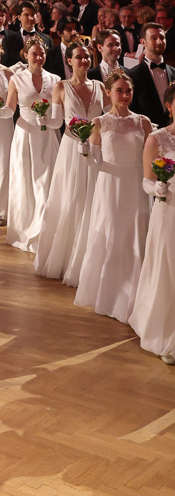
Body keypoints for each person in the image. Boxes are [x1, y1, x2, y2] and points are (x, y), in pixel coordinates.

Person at [74, 71, 152, 325]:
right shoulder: (99, 122)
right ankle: (110, 295)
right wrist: (85, 152)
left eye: (128, 91)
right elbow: (95, 163)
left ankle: (135, 296)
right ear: (108, 93)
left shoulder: (143, 122)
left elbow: (150, 157)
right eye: (119, 91)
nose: (125, 95)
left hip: (136, 184)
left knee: (135, 235)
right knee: (112, 235)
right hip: (110, 185)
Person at [34, 44, 105, 284]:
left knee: (93, 199)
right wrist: (42, 118)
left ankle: (91, 259)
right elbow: (56, 122)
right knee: (71, 198)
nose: (84, 60)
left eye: (87, 56)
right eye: (79, 57)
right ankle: (68, 258)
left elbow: (107, 119)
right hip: (71, 149)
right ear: (69, 60)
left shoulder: (100, 87)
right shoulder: (61, 87)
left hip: (95, 149)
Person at [130, 79, 175, 363]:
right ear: (169, 107)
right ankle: (167, 332)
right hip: (170, 210)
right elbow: (146, 181)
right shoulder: (157, 139)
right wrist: (157, 189)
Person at [5, 39, 62, 253]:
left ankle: (45, 230)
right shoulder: (16, 79)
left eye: (42, 54)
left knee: (45, 183)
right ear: (25, 55)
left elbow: (59, 112)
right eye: (34, 54)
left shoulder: (55, 79)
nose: (39, 58)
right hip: (25, 134)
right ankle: (23, 228)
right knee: (25, 182)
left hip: (47, 136)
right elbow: (10, 108)